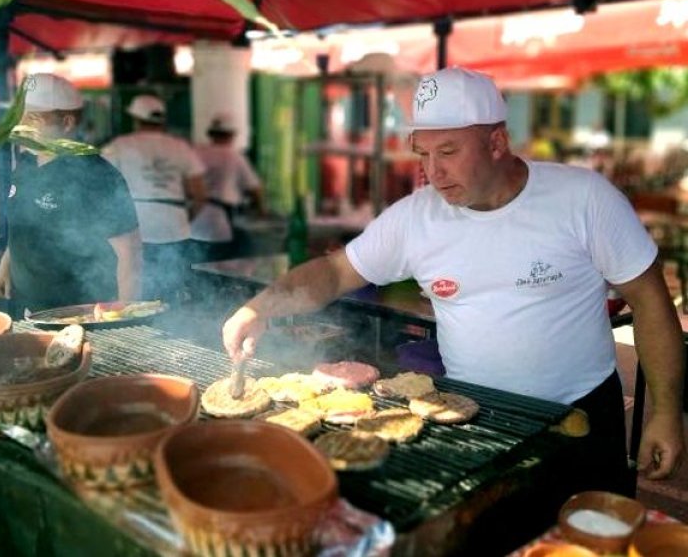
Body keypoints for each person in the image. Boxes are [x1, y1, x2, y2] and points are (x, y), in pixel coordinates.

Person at [222, 67, 684, 495]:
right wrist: (259, 307)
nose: (432, 173)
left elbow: (649, 300)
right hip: (472, 414)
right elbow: (335, 271)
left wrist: (664, 413)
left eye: (448, 152)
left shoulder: (584, 199)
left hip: (580, 412)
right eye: (423, 153)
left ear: (497, 142)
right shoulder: (415, 218)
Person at [0, 73, 141, 316]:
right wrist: (5, 265)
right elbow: (25, 223)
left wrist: (123, 316)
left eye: (34, 118)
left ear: (67, 122)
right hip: (30, 310)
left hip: (81, 313)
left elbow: (129, 253)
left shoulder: (97, 175)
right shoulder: (27, 161)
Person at [102, 94, 206, 303]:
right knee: (173, 291)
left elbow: (103, 186)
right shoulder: (180, 147)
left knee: (138, 289)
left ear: (136, 119)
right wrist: (184, 218)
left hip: (137, 227)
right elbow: (200, 195)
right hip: (175, 226)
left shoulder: (120, 145)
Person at [190, 113, 267, 263]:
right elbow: (255, 189)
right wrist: (261, 210)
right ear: (232, 135)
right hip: (220, 223)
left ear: (210, 134)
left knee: (198, 267)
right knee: (230, 264)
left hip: (195, 220)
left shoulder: (196, 152)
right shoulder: (234, 156)